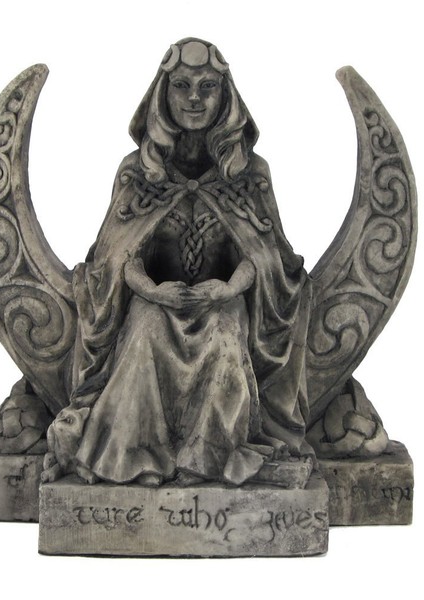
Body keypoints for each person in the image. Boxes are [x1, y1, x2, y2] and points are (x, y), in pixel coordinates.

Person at [44, 38, 313, 487]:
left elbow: (266, 258)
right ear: (162, 95)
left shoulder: (249, 173)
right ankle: (136, 458)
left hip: (223, 302)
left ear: (225, 96)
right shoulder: (138, 172)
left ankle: (209, 459)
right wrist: (152, 290)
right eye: (182, 86)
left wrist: (228, 288)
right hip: (154, 300)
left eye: (207, 86)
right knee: (145, 326)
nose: (194, 98)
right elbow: (117, 258)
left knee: (226, 333)